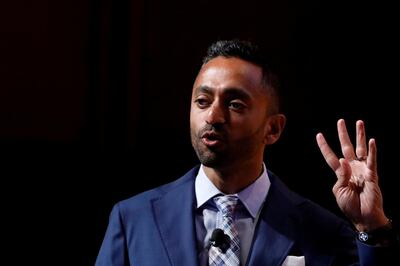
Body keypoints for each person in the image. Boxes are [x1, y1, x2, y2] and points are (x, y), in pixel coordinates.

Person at [95, 39, 399, 266]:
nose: (213, 116)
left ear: (274, 129)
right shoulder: (134, 218)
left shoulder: (323, 231)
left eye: (235, 104)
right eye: (202, 101)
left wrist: (371, 227)